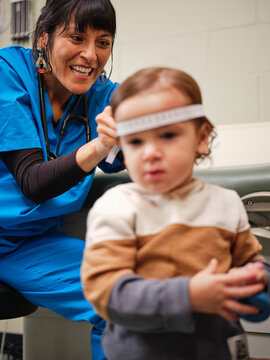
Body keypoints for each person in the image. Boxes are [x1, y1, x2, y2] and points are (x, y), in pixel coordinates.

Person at [81, 67, 270, 360]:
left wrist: (256, 283)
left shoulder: (226, 204)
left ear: (201, 137)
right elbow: (106, 293)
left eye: (167, 135)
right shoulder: (116, 207)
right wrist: (189, 296)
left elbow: (250, 264)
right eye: (135, 141)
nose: (150, 152)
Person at [0, 0, 124, 359]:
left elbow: (132, 147)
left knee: (128, 301)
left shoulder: (101, 95)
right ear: (44, 38)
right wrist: (101, 145)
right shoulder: (8, 74)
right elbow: (33, 182)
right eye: (76, 37)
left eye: (103, 42)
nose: (90, 54)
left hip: (29, 244)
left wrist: (143, 130)